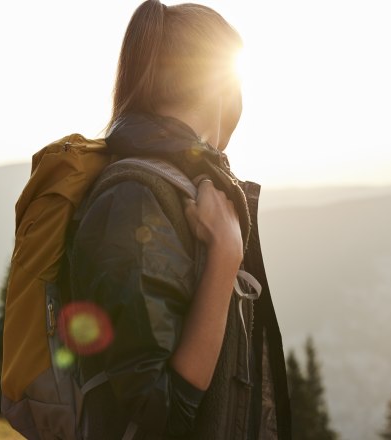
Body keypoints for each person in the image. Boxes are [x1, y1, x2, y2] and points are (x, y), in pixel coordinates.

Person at [67, 1, 291, 438]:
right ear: (223, 88)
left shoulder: (181, 188)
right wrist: (225, 259)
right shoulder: (132, 200)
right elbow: (157, 413)